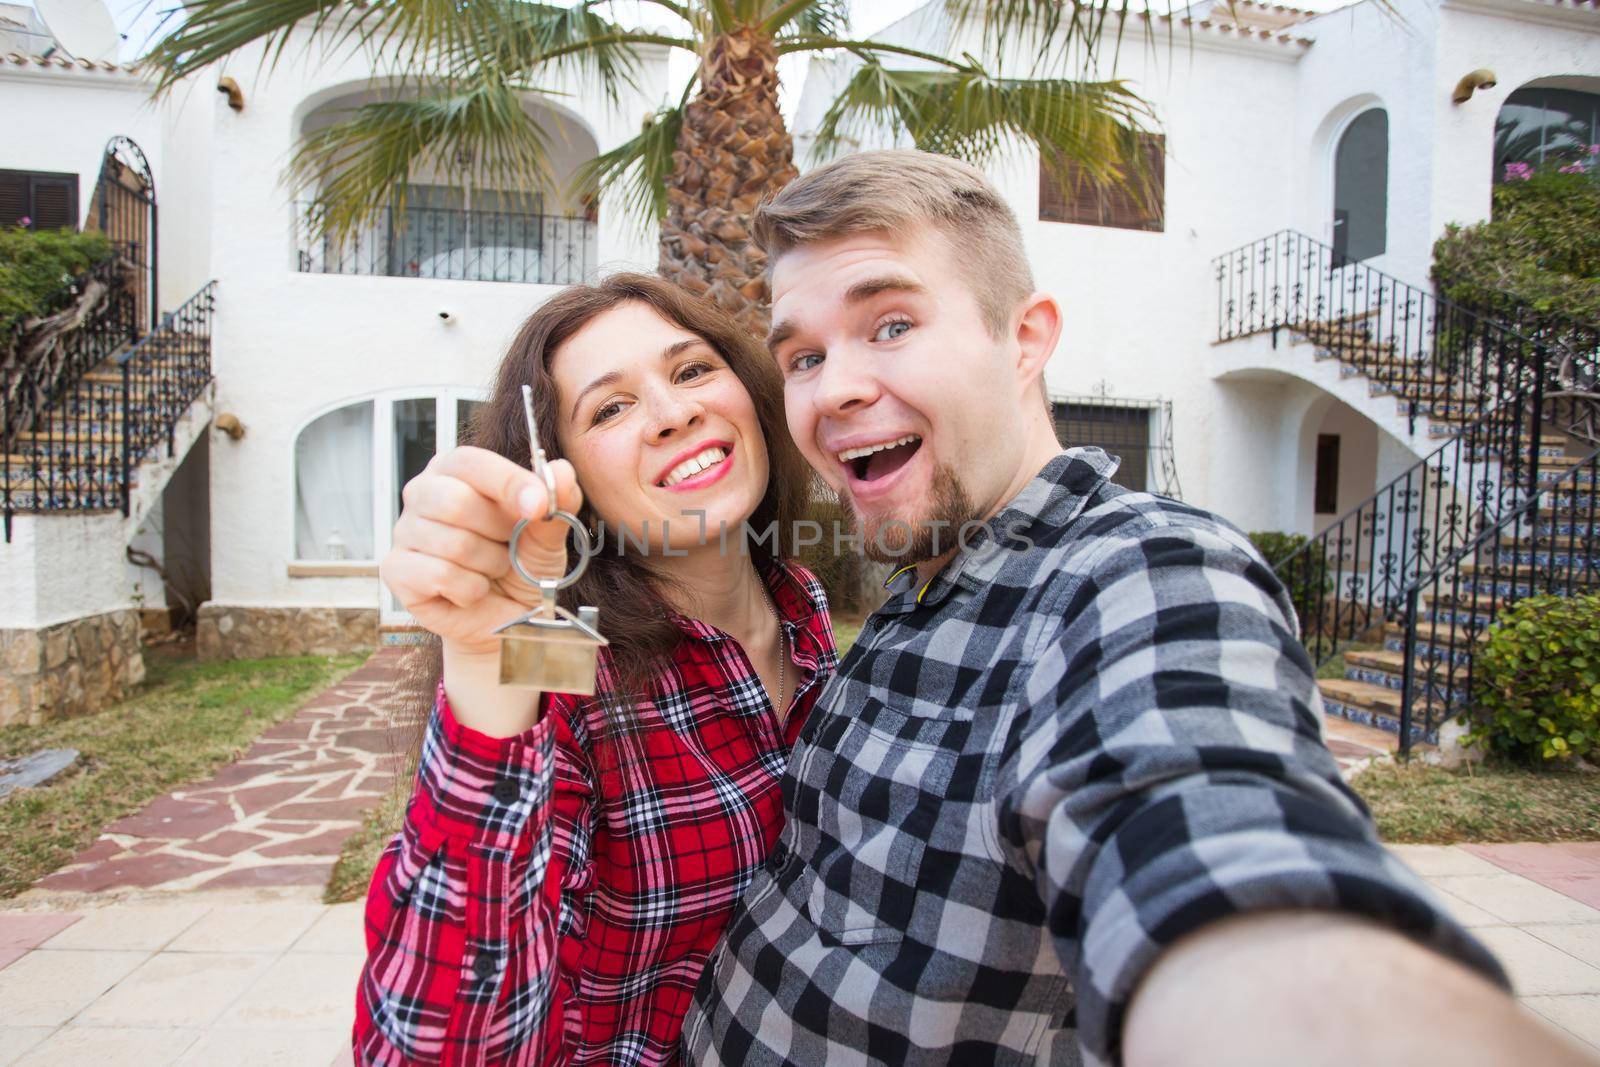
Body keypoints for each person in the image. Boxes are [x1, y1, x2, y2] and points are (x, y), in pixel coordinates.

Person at [682, 150, 1597, 1066]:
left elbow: (1211, 850)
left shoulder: (1140, 573)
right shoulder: (921, 589)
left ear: (1026, 339)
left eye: (890, 324)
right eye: (803, 354)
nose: (834, 387)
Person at [356, 273, 836, 1065]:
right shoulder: (567, 658)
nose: (674, 413)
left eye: (690, 371)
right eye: (609, 408)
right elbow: (441, 1041)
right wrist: (483, 661)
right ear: (561, 477)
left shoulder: (806, 608)